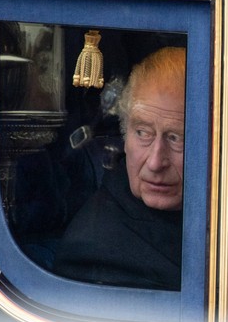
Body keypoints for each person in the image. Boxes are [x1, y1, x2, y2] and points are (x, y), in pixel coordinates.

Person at [53, 46, 185, 291]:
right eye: (143, 133)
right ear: (124, 135)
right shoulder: (95, 252)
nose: (156, 162)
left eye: (176, 138)